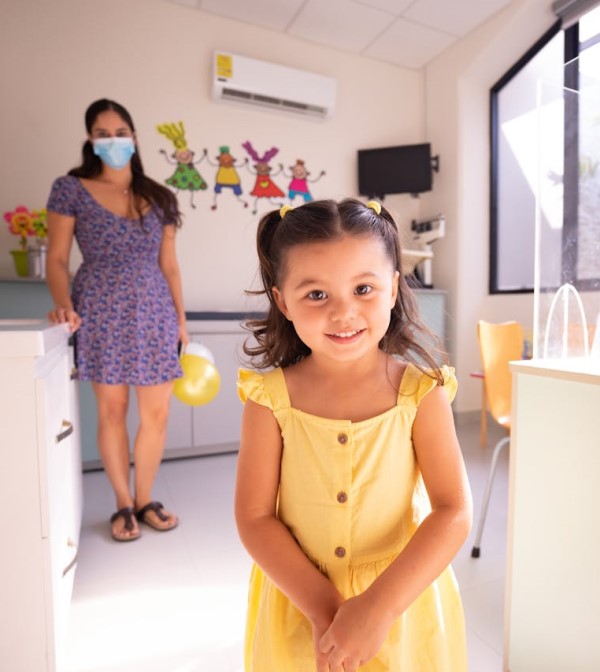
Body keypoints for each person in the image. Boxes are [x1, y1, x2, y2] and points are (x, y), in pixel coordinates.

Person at [234, 199, 472, 671]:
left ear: (392, 290)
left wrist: (377, 610)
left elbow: (454, 510)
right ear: (282, 301)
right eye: (317, 295)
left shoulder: (422, 392)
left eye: (363, 288)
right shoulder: (269, 399)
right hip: (300, 607)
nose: (344, 313)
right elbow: (255, 517)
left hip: (402, 605)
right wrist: (327, 614)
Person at [45, 98, 188, 542]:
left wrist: (181, 321)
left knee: (157, 412)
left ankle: (146, 499)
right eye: (103, 134)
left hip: (154, 310)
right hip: (100, 308)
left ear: (134, 137)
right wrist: (63, 302)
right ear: (90, 139)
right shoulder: (70, 189)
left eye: (120, 132)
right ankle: (123, 503)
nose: (113, 140)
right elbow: (56, 258)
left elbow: (170, 266)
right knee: (112, 410)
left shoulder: (160, 197)